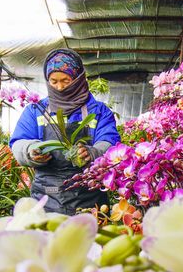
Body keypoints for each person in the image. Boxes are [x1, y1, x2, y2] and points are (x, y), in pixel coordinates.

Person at [9, 48, 120, 215]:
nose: (59, 87)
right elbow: (18, 142)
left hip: (88, 197)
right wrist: (30, 151)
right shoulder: (36, 110)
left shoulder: (98, 111)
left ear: (78, 79)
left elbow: (110, 143)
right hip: (47, 197)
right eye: (53, 81)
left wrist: (94, 152)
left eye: (66, 80)